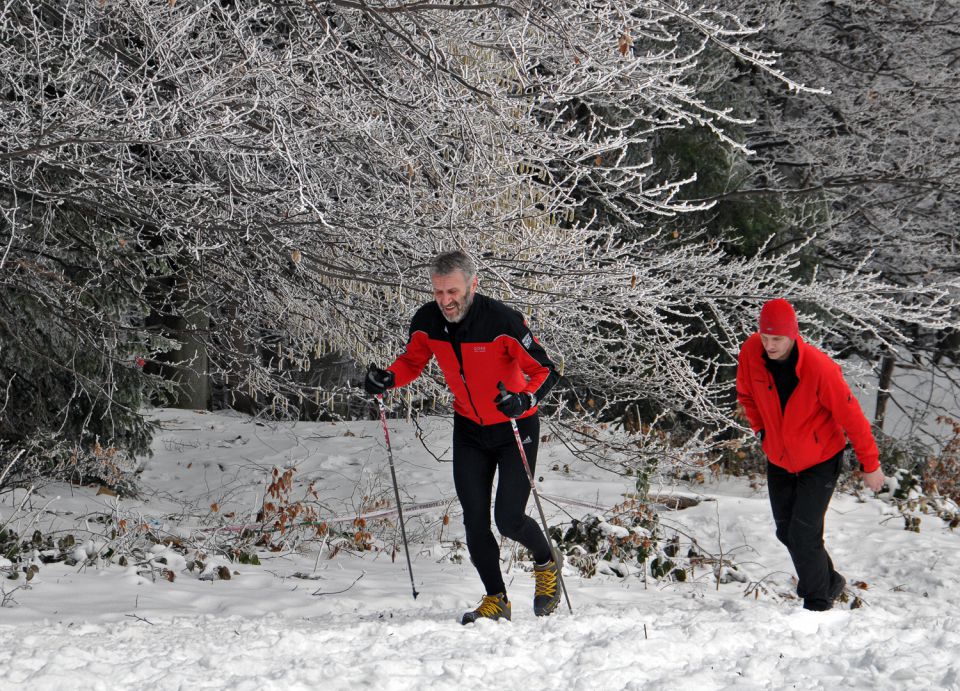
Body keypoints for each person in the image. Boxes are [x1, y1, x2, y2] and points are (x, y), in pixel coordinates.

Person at [364, 250, 561, 624]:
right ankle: (496, 597)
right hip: (469, 427)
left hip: (514, 425)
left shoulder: (501, 320)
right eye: (438, 292)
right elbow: (411, 361)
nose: (445, 301)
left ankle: (546, 563)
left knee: (509, 519)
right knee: (474, 519)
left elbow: (546, 368)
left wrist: (524, 399)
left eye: (452, 291)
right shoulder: (426, 321)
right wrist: (388, 378)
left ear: (473, 285)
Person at [736, 298, 885, 611]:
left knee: (803, 533)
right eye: (765, 338)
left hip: (820, 460)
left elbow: (853, 419)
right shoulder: (751, 352)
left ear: (793, 335)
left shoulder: (819, 369)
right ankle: (828, 581)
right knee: (785, 530)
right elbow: (746, 395)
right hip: (778, 457)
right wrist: (761, 432)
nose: (770, 345)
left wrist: (870, 465)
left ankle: (818, 603)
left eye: (777, 339)